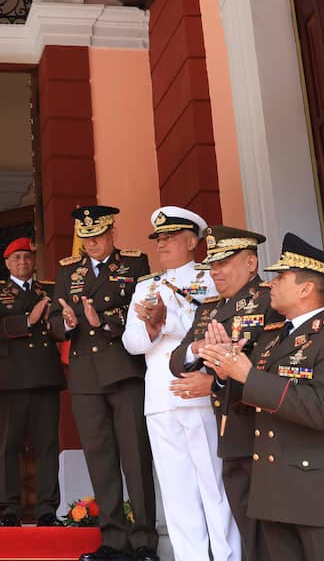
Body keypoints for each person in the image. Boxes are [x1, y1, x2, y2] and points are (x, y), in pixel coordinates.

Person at [200, 233, 324, 561]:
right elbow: (255, 395)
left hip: (320, 499)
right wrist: (225, 376)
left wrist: (248, 375)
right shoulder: (272, 338)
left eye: (281, 277)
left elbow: (322, 409)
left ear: (306, 289)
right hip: (275, 495)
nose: (272, 283)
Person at [122, 207, 239, 561]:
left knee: (214, 485)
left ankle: (227, 557)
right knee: (176, 491)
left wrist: (169, 320)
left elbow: (220, 325)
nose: (161, 244)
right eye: (158, 238)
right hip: (160, 395)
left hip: (201, 390)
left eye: (169, 237)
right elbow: (132, 343)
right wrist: (152, 327)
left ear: (192, 241)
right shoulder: (146, 285)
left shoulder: (209, 278)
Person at [48, 205, 158, 561]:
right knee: (101, 458)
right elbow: (54, 318)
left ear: (112, 233)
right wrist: (66, 322)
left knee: (135, 456)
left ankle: (143, 541)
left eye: (97, 237)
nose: (91, 244)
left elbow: (142, 308)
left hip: (123, 369)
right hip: (84, 375)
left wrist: (104, 319)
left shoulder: (134, 264)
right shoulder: (69, 270)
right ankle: (113, 540)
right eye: (86, 238)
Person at [169, 225, 278, 561]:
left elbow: (272, 364)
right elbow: (177, 359)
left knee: (274, 528)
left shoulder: (270, 299)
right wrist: (197, 349)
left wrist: (214, 382)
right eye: (211, 264)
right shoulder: (209, 310)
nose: (214, 271)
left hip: (265, 429)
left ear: (250, 263)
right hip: (230, 432)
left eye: (223, 263)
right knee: (246, 523)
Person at [0, 237, 65, 527]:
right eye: (16, 258)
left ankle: (47, 509)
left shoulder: (47, 289)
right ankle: (9, 509)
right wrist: (27, 320)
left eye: (27, 257)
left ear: (34, 261)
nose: (23, 262)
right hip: (9, 378)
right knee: (9, 446)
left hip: (44, 376)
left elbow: (60, 327)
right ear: (7, 263)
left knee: (47, 445)